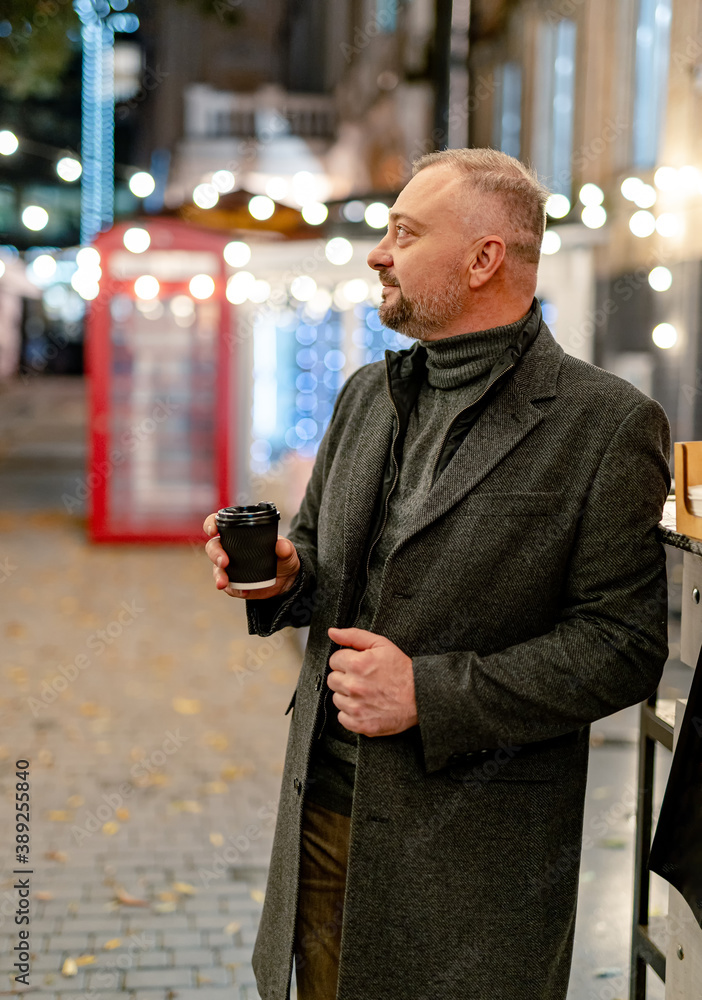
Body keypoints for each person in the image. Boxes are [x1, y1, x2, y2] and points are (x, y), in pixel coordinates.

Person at [203, 148, 671, 1000]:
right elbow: (320, 558)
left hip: (473, 852)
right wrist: (282, 575)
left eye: (404, 233)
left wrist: (430, 692)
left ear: (484, 258)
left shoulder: (606, 423)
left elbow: (624, 645)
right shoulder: (362, 394)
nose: (379, 253)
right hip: (322, 816)